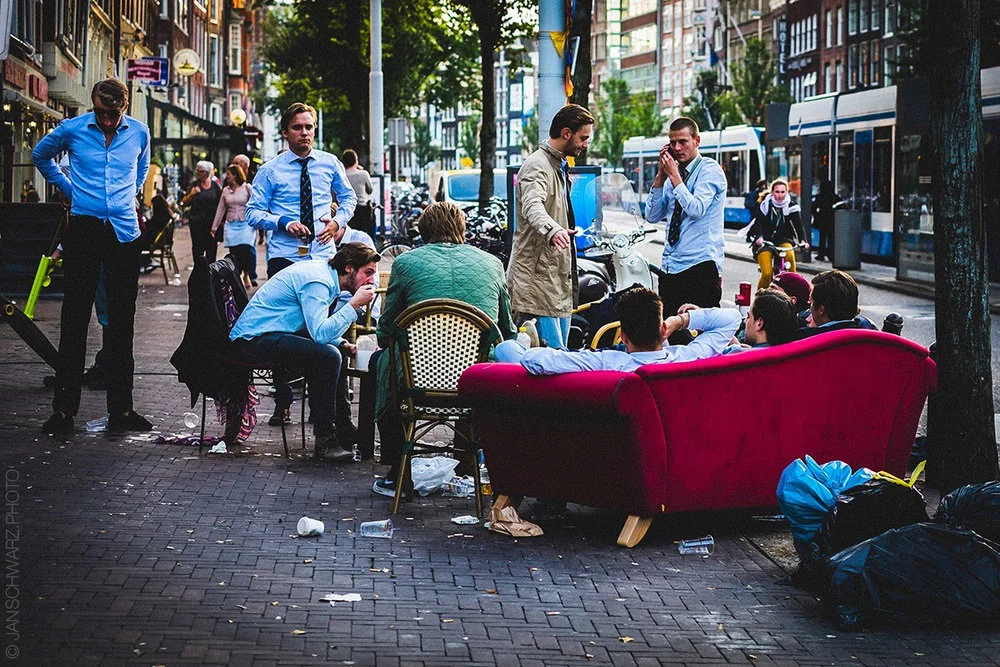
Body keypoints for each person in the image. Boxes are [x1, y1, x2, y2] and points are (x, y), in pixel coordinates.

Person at [31, 78, 152, 437]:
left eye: (113, 114)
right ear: (93, 106)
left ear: (124, 108)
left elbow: (142, 169)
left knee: (121, 323)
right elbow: (41, 156)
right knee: (74, 319)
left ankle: (122, 410)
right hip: (84, 230)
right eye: (100, 112)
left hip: (124, 233)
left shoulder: (140, 133)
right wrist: (72, 190)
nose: (106, 121)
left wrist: (128, 195)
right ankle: (64, 412)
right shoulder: (72, 129)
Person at [372, 202, 517, 498]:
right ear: (462, 229)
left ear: (423, 231)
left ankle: (399, 471)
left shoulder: (405, 264)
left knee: (382, 362)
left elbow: (386, 329)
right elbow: (507, 330)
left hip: (417, 378)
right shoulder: (492, 263)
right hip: (474, 380)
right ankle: (468, 463)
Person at [229, 242, 379, 461]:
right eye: (368, 273)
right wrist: (353, 305)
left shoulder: (324, 276)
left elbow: (312, 324)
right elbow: (318, 333)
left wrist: (341, 342)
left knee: (334, 351)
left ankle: (343, 428)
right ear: (349, 267)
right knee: (327, 356)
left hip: (271, 334)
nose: (372, 280)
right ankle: (325, 440)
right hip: (252, 341)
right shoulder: (318, 281)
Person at [494, 287, 740, 374]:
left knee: (506, 348)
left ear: (622, 336)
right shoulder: (689, 358)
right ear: (662, 328)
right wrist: (680, 321)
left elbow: (536, 361)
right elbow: (731, 318)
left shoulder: (604, 363)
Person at [506, 103, 594, 349]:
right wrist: (553, 229)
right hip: (537, 282)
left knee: (559, 357)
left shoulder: (557, 164)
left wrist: (561, 227)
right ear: (566, 133)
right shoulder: (537, 165)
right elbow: (532, 206)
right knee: (554, 359)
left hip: (552, 280)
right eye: (583, 137)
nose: (585, 144)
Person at [245, 102, 356, 277]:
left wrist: (337, 222)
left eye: (308, 127)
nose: (304, 132)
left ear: (314, 130)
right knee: (287, 305)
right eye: (297, 127)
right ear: (284, 133)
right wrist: (284, 222)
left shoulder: (330, 163)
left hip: (323, 254)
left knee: (326, 304)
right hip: (285, 256)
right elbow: (252, 213)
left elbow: (349, 197)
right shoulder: (270, 170)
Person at [643, 117, 728, 320]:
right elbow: (652, 216)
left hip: (700, 266)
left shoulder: (710, 170)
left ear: (696, 140)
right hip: (671, 266)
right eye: (672, 143)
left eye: (683, 142)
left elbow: (696, 208)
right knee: (670, 333)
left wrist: (674, 177)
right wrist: (661, 178)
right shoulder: (673, 174)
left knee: (699, 334)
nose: (677, 147)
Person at [746, 179, 806, 289]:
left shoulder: (792, 206)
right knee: (767, 273)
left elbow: (798, 225)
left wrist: (803, 240)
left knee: (790, 257)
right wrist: (759, 237)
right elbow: (758, 224)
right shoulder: (764, 206)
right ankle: (760, 297)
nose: (780, 195)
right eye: (777, 192)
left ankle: (794, 290)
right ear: (772, 192)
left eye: (783, 192)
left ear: (787, 192)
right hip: (765, 242)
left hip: (784, 239)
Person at [794, 269, 877, 339]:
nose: (809, 306)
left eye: (811, 301)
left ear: (821, 310)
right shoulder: (870, 333)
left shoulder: (803, 338)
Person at [212, 164, 256, 287]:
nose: (227, 176)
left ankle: (246, 274)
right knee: (234, 252)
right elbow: (220, 209)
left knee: (246, 249)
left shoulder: (247, 188)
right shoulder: (226, 190)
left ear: (236, 175)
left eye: (229, 174)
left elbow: (256, 205)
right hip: (231, 224)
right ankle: (237, 276)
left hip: (246, 223)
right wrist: (214, 228)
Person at [724, 288, 798, 352]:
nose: (745, 321)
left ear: (759, 324)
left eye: (748, 317)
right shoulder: (792, 356)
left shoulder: (735, 353)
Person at [182, 160, 222, 262]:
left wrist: (220, 221)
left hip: (211, 224)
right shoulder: (194, 185)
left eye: (200, 171)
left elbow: (221, 204)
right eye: (197, 171)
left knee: (211, 250)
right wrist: (191, 194)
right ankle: (199, 274)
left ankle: (210, 274)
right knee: (197, 250)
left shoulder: (215, 186)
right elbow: (184, 202)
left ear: (207, 172)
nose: (197, 173)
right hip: (197, 223)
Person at [231, 154, 260, 284]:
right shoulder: (229, 179)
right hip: (233, 221)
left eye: (237, 163)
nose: (234, 166)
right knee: (236, 249)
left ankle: (250, 275)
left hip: (248, 220)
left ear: (245, 165)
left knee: (249, 248)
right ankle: (238, 274)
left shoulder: (254, 179)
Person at [342, 149, 375, 239]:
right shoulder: (363, 174)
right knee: (365, 233)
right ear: (356, 160)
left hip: (345, 210)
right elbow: (370, 190)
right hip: (362, 209)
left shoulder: (341, 175)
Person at [812, 179, 838, 261]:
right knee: (831, 238)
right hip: (832, 220)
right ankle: (831, 255)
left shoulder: (819, 197)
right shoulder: (835, 197)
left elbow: (813, 208)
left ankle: (821, 254)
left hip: (822, 219)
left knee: (822, 238)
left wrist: (817, 216)